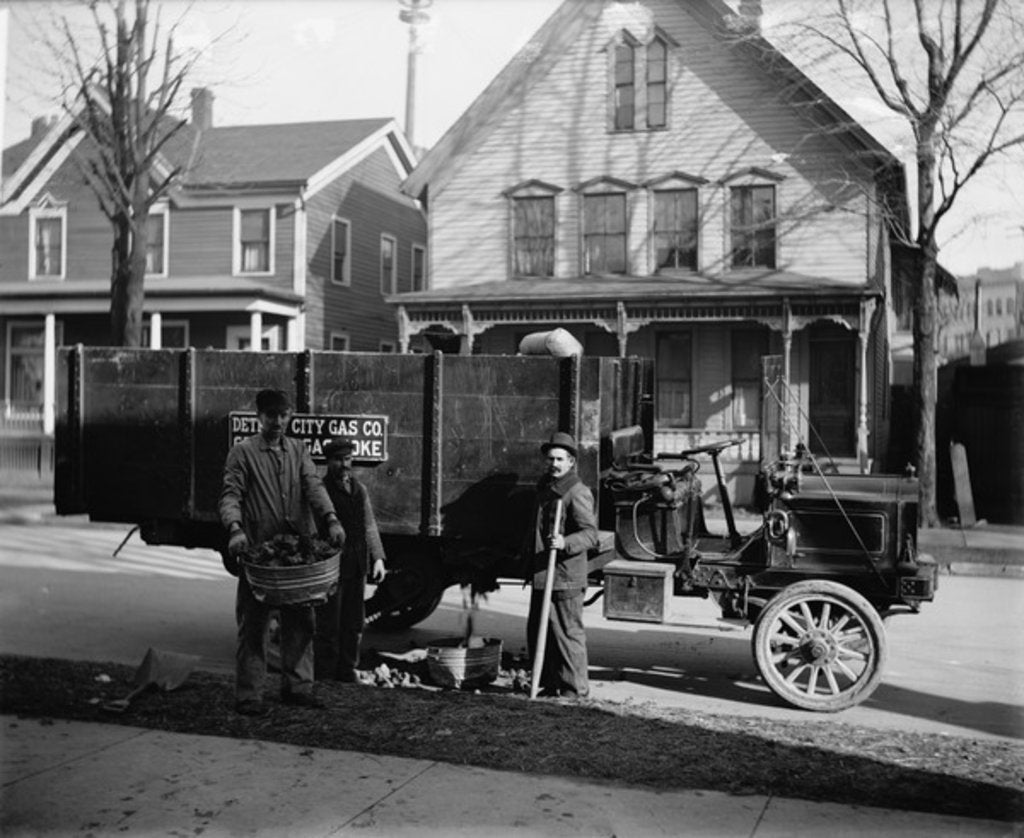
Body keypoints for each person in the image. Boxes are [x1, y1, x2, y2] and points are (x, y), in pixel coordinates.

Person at [219, 388, 345, 716]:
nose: (278, 421)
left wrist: (331, 519)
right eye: (271, 415)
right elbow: (231, 494)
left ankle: (298, 689)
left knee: (302, 620)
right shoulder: (243, 453)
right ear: (258, 417)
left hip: (299, 553)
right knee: (254, 622)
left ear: (290, 416)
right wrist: (235, 529)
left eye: (283, 414)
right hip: (259, 553)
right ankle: (249, 695)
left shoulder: (298, 450)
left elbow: (313, 487)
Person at [523, 431, 598, 699]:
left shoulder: (577, 492)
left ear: (571, 462)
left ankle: (574, 689)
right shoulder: (546, 488)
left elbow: (590, 534)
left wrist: (564, 541)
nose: (553, 464)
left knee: (567, 634)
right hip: (544, 572)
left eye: (559, 459)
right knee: (540, 631)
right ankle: (550, 684)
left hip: (566, 575)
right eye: (550, 459)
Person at [314, 437, 387, 683]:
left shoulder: (359, 489)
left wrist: (377, 558)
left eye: (347, 459)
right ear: (328, 462)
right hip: (332, 569)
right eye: (337, 460)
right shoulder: (321, 492)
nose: (344, 464)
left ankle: (346, 670)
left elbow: (369, 525)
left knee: (354, 623)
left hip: (357, 567)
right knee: (329, 625)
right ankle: (325, 673)